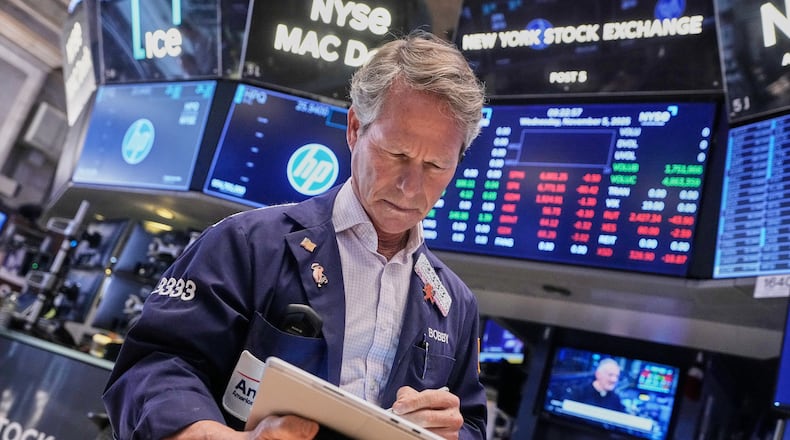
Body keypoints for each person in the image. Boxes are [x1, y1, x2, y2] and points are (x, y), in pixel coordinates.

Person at [102, 30, 488, 440]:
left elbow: (471, 423)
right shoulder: (247, 244)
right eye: (397, 154)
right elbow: (155, 368)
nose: (411, 187)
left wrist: (450, 433)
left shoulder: (456, 306)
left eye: (435, 166)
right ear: (355, 128)